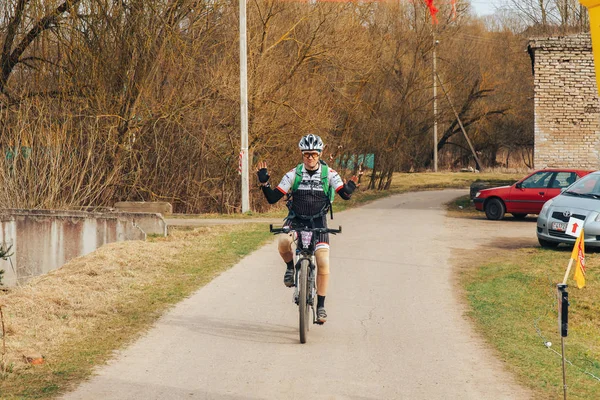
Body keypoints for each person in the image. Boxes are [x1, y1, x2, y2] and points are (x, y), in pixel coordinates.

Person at [256, 134, 359, 324]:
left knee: (323, 261)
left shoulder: (330, 174)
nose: (310, 158)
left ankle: (320, 306)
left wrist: (350, 188)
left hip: (318, 222)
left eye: (313, 154)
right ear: (302, 155)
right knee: (283, 240)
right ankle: (289, 268)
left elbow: (344, 195)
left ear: (320, 154)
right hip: (296, 218)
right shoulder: (293, 174)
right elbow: (272, 198)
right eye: (306, 154)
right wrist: (265, 184)